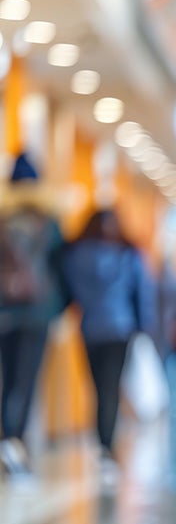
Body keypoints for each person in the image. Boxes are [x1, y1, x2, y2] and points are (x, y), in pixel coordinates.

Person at [63, 207, 158, 482]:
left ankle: (102, 445)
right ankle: (107, 446)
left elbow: (70, 290)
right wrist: (144, 326)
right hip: (120, 328)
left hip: (91, 328)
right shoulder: (128, 253)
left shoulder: (77, 254)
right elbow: (142, 291)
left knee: (97, 387)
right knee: (111, 389)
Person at [0, 153, 70, 486]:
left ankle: (7, 440)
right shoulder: (49, 220)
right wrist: (60, 308)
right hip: (38, 312)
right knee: (26, 381)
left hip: (2, 311)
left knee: (6, 379)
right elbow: (61, 268)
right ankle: (16, 442)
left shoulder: (2, 217)